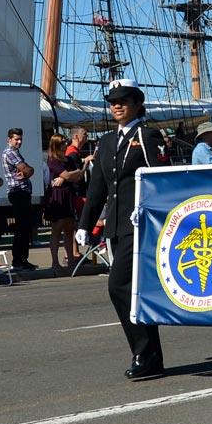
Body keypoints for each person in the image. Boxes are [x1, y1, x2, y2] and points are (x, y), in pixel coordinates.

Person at [75, 79, 170, 380]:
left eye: (124, 100)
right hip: (115, 227)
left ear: (137, 104)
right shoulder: (105, 142)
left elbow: (163, 179)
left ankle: (145, 351)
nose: (117, 105)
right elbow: (98, 190)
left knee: (118, 285)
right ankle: (149, 355)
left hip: (141, 225)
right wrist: (84, 225)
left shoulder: (148, 136)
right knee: (133, 291)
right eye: (113, 101)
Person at [1, 129, 40, 270]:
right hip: (18, 192)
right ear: (9, 139)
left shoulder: (15, 152)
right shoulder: (10, 152)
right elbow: (27, 170)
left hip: (22, 192)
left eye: (20, 139)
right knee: (22, 227)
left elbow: (27, 171)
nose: (19, 142)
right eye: (16, 139)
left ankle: (22, 259)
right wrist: (29, 171)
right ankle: (18, 260)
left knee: (25, 227)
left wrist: (28, 171)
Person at [44, 135, 84, 270]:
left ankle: (71, 259)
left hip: (68, 194)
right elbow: (67, 175)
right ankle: (55, 262)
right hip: (57, 196)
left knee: (69, 228)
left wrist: (67, 176)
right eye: (62, 143)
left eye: (65, 143)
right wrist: (68, 175)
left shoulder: (68, 159)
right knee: (57, 228)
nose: (65, 145)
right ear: (56, 145)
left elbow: (76, 177)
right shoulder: (52, 160)